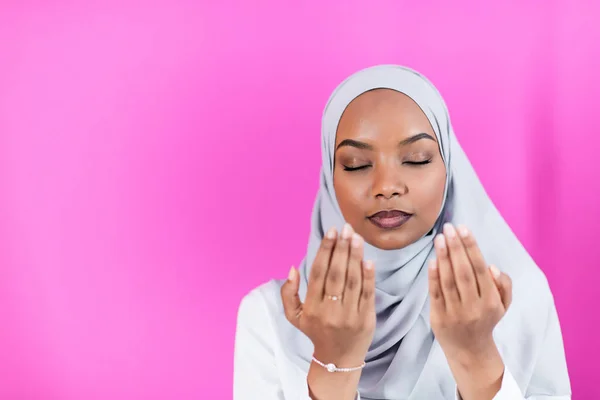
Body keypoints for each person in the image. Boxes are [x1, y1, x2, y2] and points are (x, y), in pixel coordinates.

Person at [233, 65, 571, 400]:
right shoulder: (271, 318)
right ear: (330, 178)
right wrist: (335, 364)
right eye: (356, 164)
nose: (387, 187)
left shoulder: (515, 299)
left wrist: (478, 361)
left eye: (417, 159)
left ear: (449, 168)